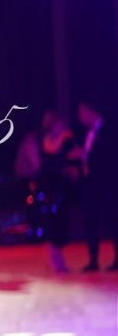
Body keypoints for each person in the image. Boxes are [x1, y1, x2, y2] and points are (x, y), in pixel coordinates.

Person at [73, 102, 118, 271]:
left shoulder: (110, 130)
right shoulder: (86, 133)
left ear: (91, 111)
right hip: (90, 185)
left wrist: (87, 156)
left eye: (82, 112)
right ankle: (93, 260)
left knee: (112, 221)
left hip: (107, 185)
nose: (80, 117)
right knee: (90, 221)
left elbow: (109, 157)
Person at [37, 110, 81, 272]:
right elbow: (51, 152)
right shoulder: (46, 139)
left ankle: (59, 258)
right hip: (50, 186)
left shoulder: (66, 140)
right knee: (51, 221)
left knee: (61, 221)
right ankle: (55, 259)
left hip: (61, 187)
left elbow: (75, 155)